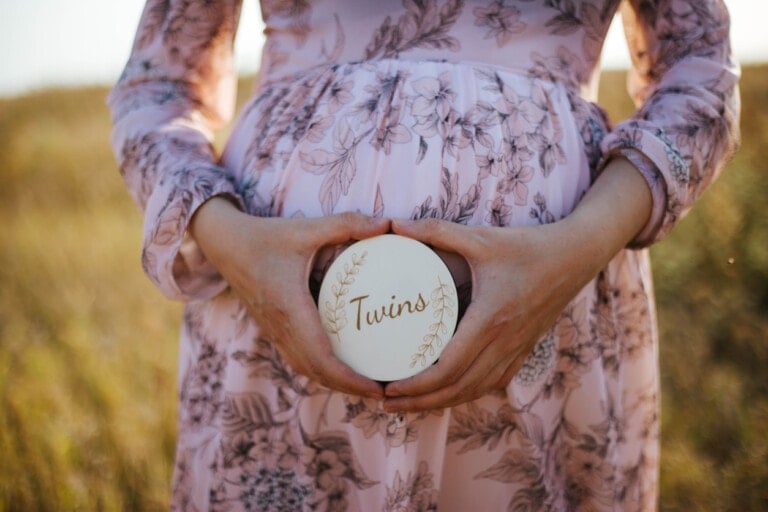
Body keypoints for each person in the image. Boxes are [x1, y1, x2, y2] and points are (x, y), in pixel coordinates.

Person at [108, 0, 740, 510]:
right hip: (272, 320)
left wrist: (578, 247)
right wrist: (233, 243)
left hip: (557, 304)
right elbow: (154, 91)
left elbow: (700, 69)